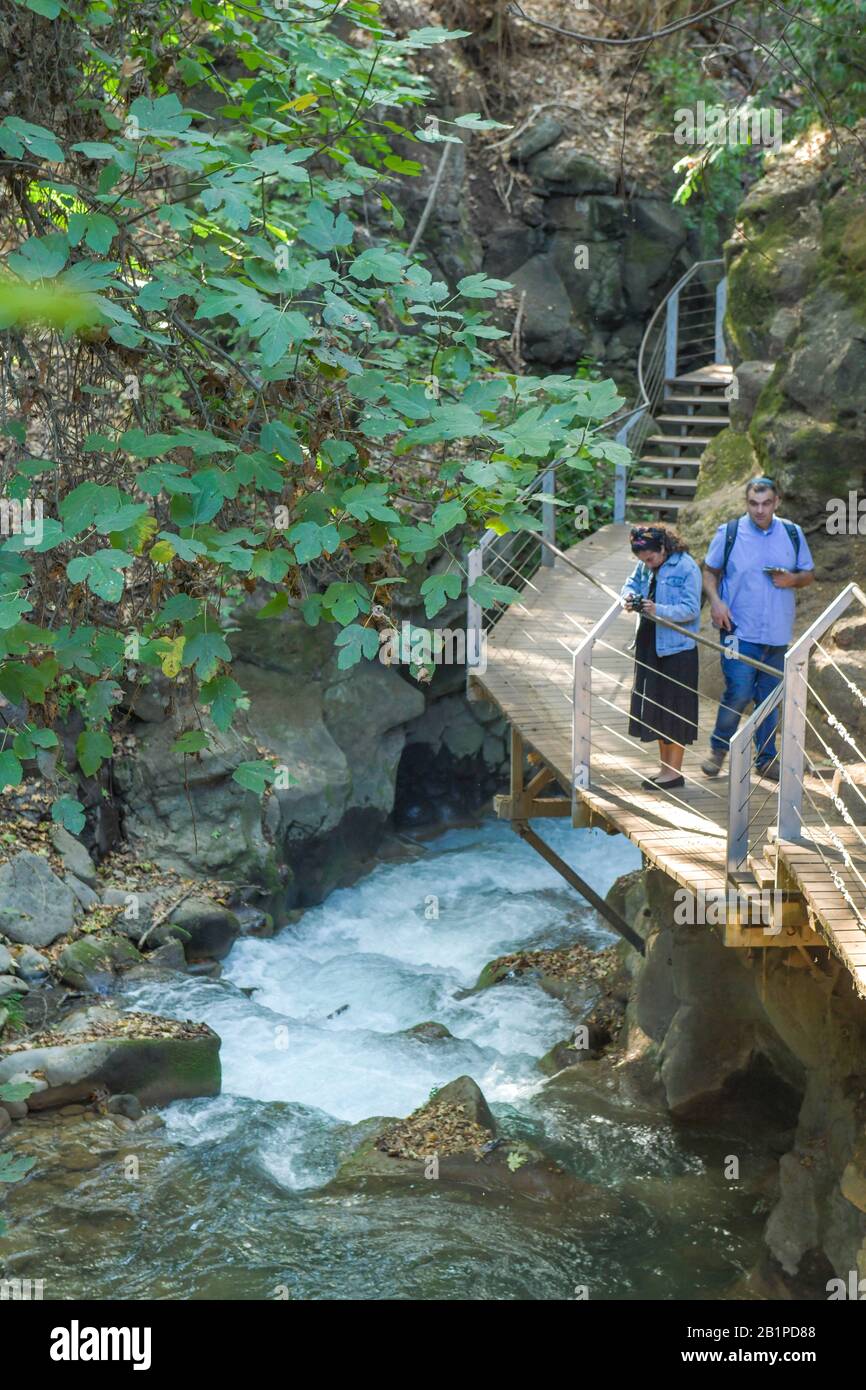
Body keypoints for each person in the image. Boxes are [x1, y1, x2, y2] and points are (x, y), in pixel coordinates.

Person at [701, 476, 814, 781]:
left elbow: (808, 573)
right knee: (738, 691)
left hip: (777, 635)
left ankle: (765, 760)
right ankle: (718, 750)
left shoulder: (792, 532)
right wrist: (716, 602)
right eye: (753, 503)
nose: (759, 510)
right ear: (747, 503)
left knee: (768, 699)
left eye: (766, 503)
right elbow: (709, 572)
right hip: (738, 632)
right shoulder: (730, 533)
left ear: (776, 502)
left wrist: (792, 579)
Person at [621, 524, 702, 789]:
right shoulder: (646, 563)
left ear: (663, 547)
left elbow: (690, 609)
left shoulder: (687, 567)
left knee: (675, 708)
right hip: (650, 642)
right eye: (643, 560)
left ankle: (674, 773)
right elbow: (630, 584)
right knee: (656, 706)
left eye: (651, 558)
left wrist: (658, 609)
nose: (647, 563)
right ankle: (665, 769)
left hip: (677, 648)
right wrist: (629, 597)